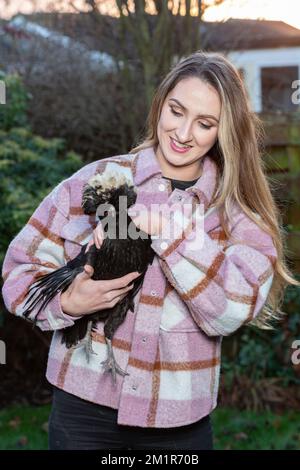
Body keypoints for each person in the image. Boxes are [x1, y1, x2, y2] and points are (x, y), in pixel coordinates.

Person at [2, 50, 298, 451]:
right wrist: (69, 302)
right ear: (160, 104)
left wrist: (169, 232)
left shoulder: (237, 216)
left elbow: (232, 310)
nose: (183, 132)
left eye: (205, 123)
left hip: (178, 429)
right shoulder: (94, 181)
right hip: (82, 416)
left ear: (223, 132)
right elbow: (19, 270)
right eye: (176, 111)